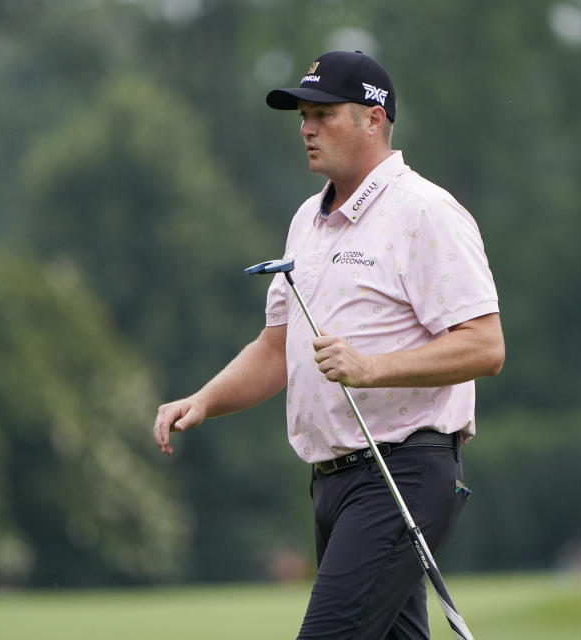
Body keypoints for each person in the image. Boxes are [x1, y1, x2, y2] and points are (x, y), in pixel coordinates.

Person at [154, 50, 504, 640]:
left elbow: (485, 345)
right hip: (332, 483)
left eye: (322, 114)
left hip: (403, 471)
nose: (306, 128)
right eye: (302, 116)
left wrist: (371, 368)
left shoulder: (425, 212)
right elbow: (276, 348)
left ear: (373, 118)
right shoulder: (305, 223)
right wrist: (205, 399)